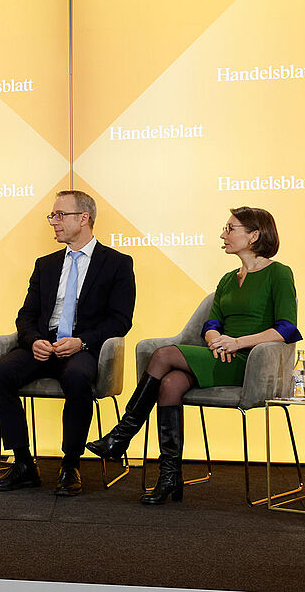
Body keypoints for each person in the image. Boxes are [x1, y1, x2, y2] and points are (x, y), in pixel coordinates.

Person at [87, 206, 300, 504]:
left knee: (162, 355)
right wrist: (216, 341)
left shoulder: (279, 273)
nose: (223, 234)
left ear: (254, 235)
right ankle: (170, 476)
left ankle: (123, 434)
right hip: (220, 356)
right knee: (171, 383)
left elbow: (287, 329)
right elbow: (211, 324)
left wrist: (236, 343)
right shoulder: (228, 278)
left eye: (230, 228)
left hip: (250, 364)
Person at [0, 190, 135, 496]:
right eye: (51, 216)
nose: (53, 222)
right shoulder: (46, 264)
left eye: (59, 215)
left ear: (84, 218)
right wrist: (34, 340)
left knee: (78, 378)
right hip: (43, 345)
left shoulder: (117, 263)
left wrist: (81, 342)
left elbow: (120, 320)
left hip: (83, 347)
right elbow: (25, 315)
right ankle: (24, 463)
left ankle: (71, 463)